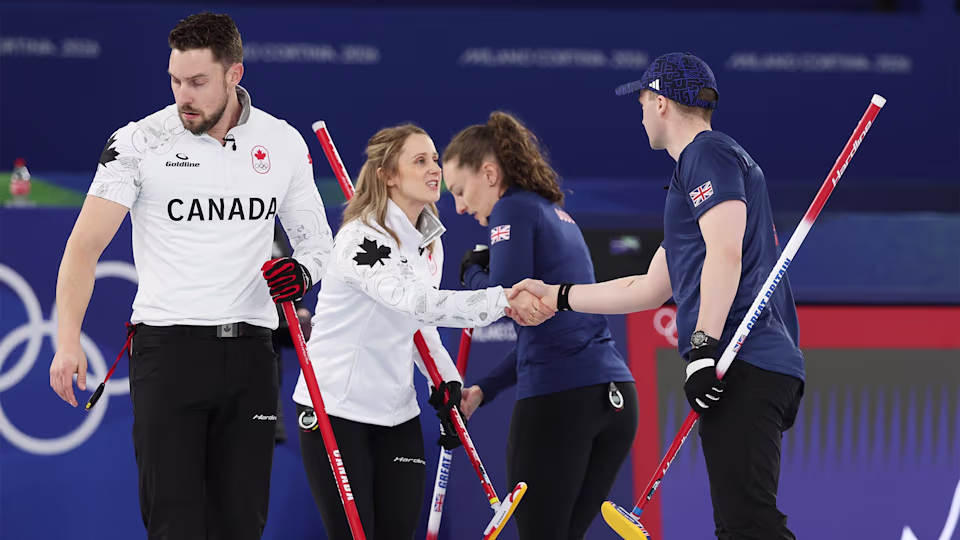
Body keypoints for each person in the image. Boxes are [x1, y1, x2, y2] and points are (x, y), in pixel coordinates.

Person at [47, 12, 334, 540]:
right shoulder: (138, 142)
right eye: (176, 81)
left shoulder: (283, 142)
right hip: (168, 352)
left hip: (252, 355)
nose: (185, 96)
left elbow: (318, 246)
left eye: (198, 82)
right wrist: (67, 342)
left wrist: (301, 272)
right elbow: (83, 248)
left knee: (240, 526)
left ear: (234, 74)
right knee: (173, 525)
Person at [511, 52, 805, 540]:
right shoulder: (697, 173)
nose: (641, 113)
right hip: (741, 364)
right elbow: (648, 287)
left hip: (741, 358)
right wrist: (557, 296)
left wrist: (704, 348)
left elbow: (725, 253)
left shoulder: (706, 154)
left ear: (663, 102)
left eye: (643, 101)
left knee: (749, 526)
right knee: (739, 525)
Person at [292, 124, 549, 540]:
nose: (434, 169)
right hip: (335, 409)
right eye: (419, 160)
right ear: (388, 175)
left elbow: (419, 325)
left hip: (397, 413)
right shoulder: (360, 239)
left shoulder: (429, 243)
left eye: (434, 159)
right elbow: (414, 302)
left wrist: (446, 380)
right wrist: (501, 300)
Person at [441, 111, 639, 540]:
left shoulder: (510, 207)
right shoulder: (554, 214)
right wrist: (484, 390)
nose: (459, 206)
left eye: (459, 190)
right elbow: (548, 335)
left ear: (489, 174)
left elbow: (501, 299)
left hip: (562, 400)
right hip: (616, 399)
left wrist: (470, 271)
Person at [270, 223, 315, 445]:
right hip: (242, 330)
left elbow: (285, 268)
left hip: (274, 333)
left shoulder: (274, 228)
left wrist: (299, 307)